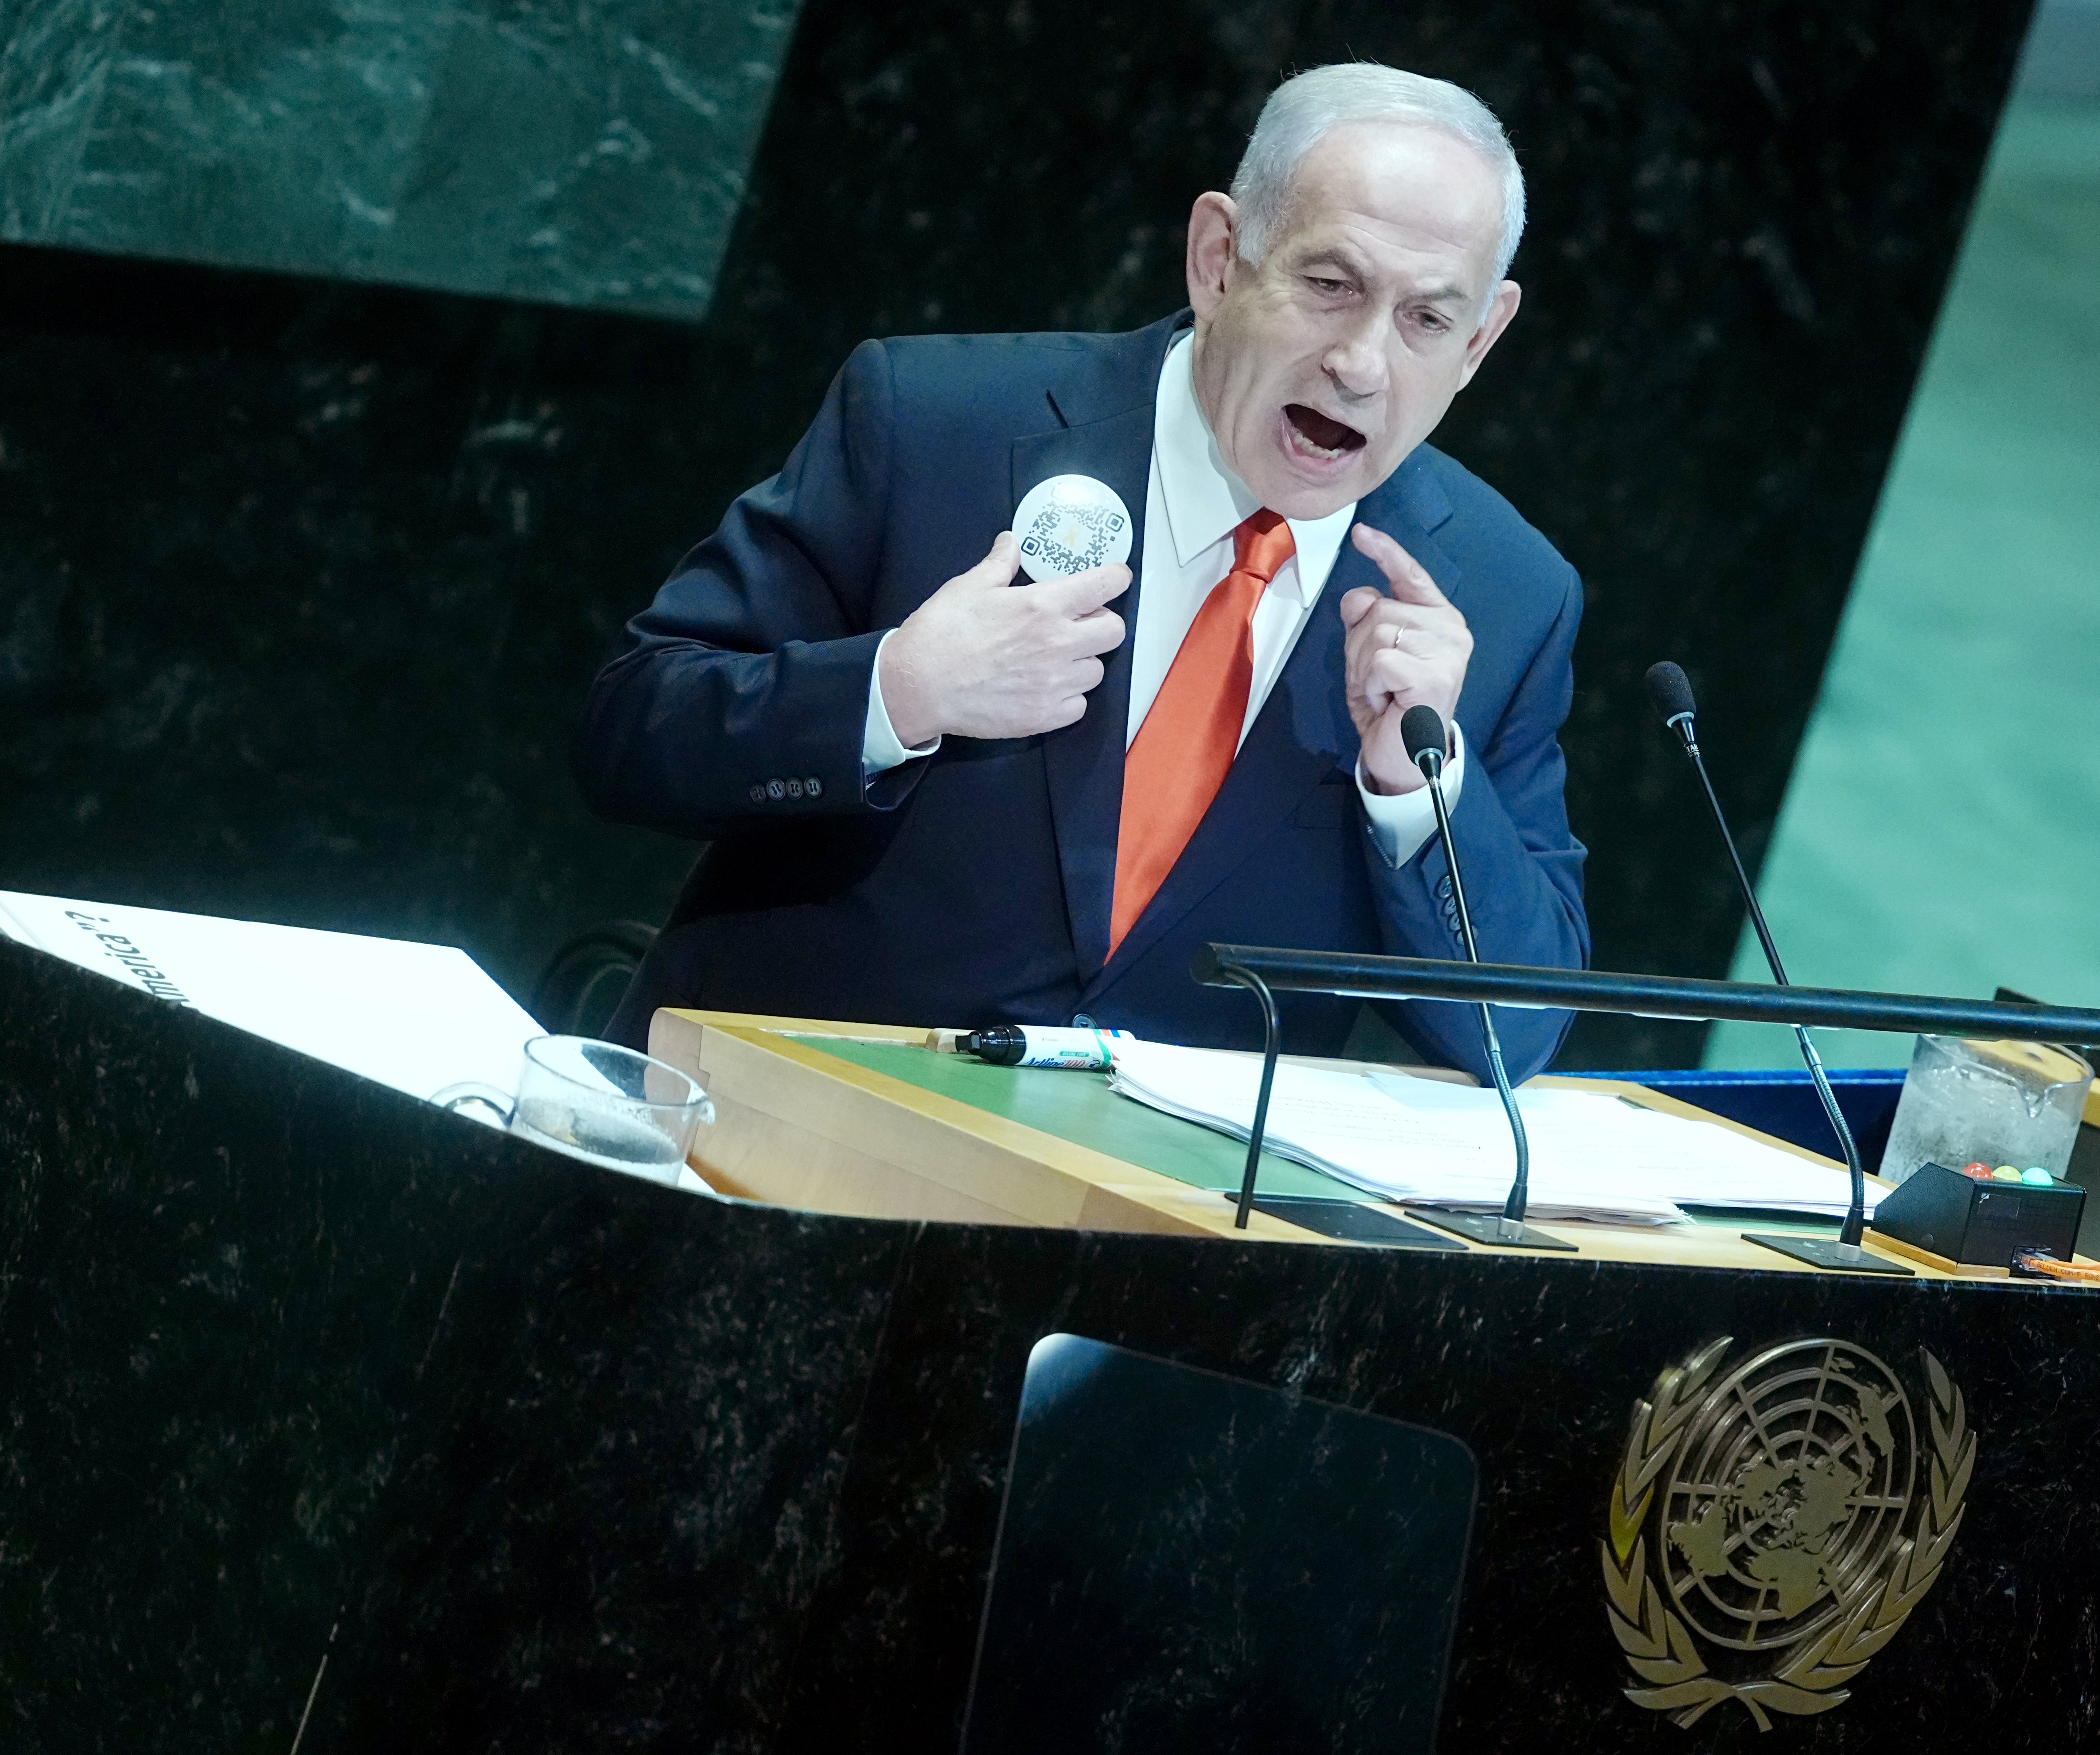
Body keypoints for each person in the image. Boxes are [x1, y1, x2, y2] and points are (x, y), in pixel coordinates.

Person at [574, 64, 1589, 1079]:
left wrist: (1419, 783)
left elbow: (1515, 1029)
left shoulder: (1503, 596)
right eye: (1331, 286)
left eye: (1426, 320)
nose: (1362, 363)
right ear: (1218, 257)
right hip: (766, 1147)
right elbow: (630, 734)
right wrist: (894, 692)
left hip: (1150, 1221)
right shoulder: (935, 423)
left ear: (1481, 339)